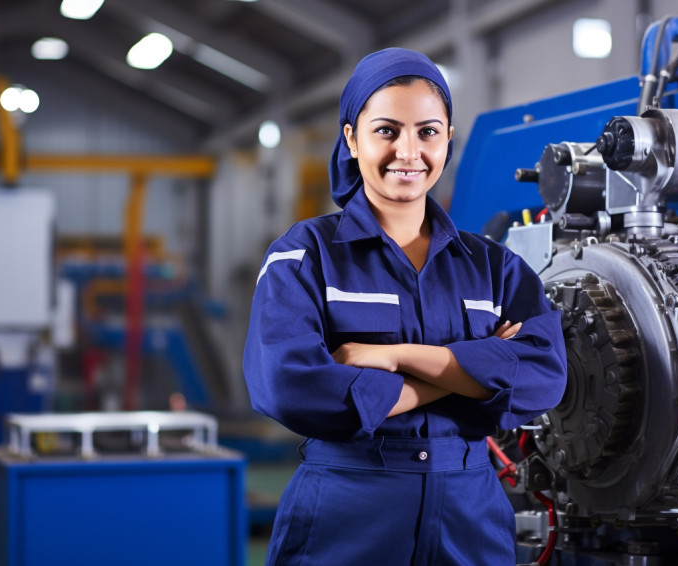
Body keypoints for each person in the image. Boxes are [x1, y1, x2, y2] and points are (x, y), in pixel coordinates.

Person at [243, 47, 567, 565]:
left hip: (472, 511)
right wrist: (473, 369)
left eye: (428, 131)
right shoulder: (305, 254)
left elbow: (543, 378)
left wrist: (393, 357)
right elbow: (288, 385)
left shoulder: (492, 265)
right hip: (349, 506)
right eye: (387, 131)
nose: (408, 151)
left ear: (449, 138)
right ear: (351, 138)